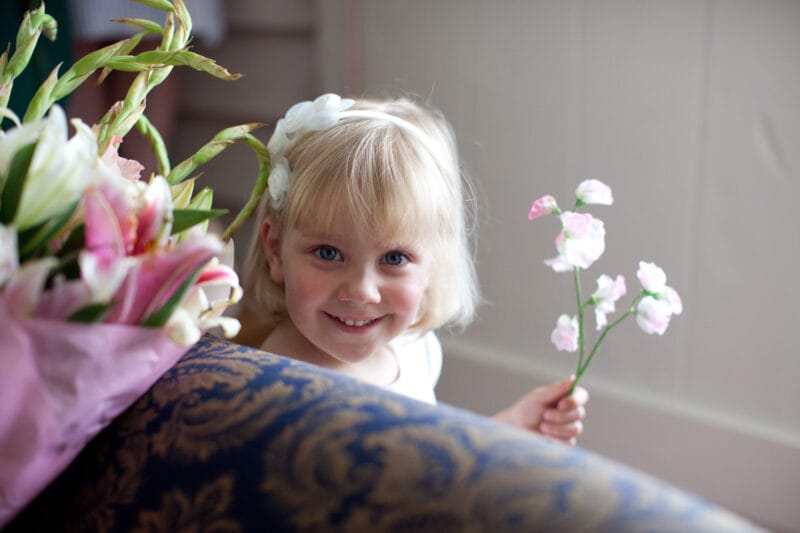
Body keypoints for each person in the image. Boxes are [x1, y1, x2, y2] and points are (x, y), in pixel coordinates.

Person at [237, 94, 588, 445]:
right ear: (276, 251)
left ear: (434, 262)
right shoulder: (283, 389)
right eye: (328, 253)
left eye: (393, 259)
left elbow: (430, 454)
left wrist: (502, 434)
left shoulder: (412, 348)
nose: (362, 290)